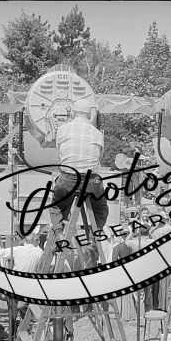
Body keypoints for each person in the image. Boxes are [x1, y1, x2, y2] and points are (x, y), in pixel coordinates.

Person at [49, 99, 108, 240]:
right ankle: (94, 237)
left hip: (68, 179)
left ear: (73, 113)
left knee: (57, 206)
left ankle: (59, 233)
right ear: (90, 115)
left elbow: (60, 154)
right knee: (100, 208)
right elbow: (99, 157)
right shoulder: (97, 133)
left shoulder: (62, 130)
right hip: (91, 181)